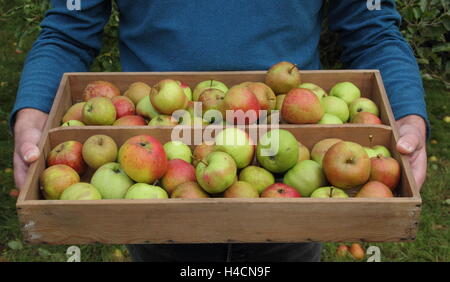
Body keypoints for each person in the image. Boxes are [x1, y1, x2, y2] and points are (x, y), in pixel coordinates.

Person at [11, 1, 428, 262]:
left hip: (290, 173)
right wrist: (32, 112)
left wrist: (408, 112)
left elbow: (373, 30)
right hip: (158, 173)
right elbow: (66, 30)